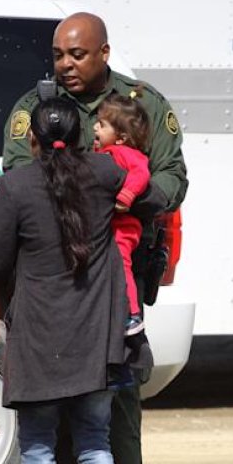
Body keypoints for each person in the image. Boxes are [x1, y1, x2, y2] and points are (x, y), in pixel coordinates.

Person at [2, 12, 189, 464]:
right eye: (58, 55)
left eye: (77, 54)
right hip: (55, 283)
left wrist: (122, 196)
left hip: (115, 282)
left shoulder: (141, 104)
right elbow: (19, 178)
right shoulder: (35, 109)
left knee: (115, 410)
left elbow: (172, 179)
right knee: (54, 414)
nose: (66, 64)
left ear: (104, 53)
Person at [0, 98, 164, 464]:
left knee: (38, 447)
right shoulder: (103, 173)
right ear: (81, 136)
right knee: (95, 443)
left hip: (39, 338)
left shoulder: (16, 185)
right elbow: (155, 197)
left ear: (32, 140)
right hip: (96, 338)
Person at [93, 92, 151, 335]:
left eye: (102, 124)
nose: (95, 127)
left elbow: (141, 173)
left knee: (121, 265)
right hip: (108, 225)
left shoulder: (126, 154)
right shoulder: (103, 153)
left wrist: (126, 195)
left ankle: (132, 314)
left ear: (121, 138)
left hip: (123, 227)